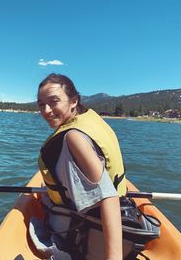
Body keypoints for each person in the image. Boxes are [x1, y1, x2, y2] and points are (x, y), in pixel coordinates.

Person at [34, 73, 127, 260]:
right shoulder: (90, 120)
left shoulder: (73, 137)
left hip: (87, 230)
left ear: (74, 101)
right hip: (123, 211)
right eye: (41, 104)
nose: (46, 111)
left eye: (53, 102)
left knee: (34, 222)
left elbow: (108, 196)